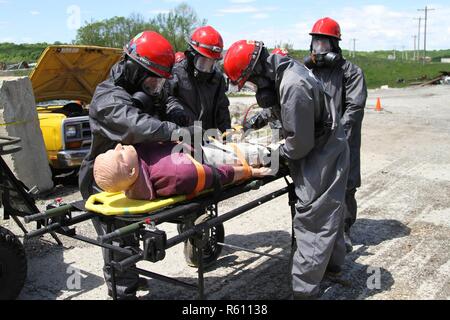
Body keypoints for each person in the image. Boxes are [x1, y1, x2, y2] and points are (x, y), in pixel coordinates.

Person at [223, 40, 349, 299]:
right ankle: (333, 267)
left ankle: (304, 292)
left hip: (321, 153)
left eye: (250, 82)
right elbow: (291, 112)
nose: (254, 89)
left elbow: (299, 144)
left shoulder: (293, 84)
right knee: (329, 212)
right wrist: (262, 118)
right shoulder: (285, 72)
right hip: (326, 147)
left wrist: (268, 156)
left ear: (259, 71)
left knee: (313, 220)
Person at [78, 31, 189, 300]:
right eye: (153, 79)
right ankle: (121, 292)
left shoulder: (144, 85)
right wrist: (173, 129)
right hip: (104, 181)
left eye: (159, 80)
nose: (156, 85)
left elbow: (164, 97)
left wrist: (174, 108)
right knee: (118, 240)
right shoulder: (108, 98)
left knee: (131, 236)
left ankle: (131, 276)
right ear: (135, 69)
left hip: (136, 174)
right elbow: (135, 126)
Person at [304, 17, 367, 252]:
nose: (319, 50)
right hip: (315, 141)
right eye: (315, 43)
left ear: (334, 45)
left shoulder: (351, 72)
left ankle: (344, 230)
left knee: (345, 187)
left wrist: (337, 136)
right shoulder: (308, 71)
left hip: (343, 141)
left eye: (324, 44)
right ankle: (319, 230)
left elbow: (355, 108)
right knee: (318, 187)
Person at [93, 142, 272, 200]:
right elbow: (219, 174)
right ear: (132, 172)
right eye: (120, 154)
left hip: (197, 146)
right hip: (210, 157)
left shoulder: (137, 155)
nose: (118, 146)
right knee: (263, 153)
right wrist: (249, 172)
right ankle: (275, 150)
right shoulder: (178, 173)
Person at [165, 25, 231, 132]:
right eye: (202, 62)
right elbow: (168, 100)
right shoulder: (176, 74)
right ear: (191, 55)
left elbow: (222, 109)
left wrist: (227, 135)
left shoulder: (217, 79)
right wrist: (177, 112)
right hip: (182, 137)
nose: (206, 69)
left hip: (208, 138)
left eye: (211, 63)